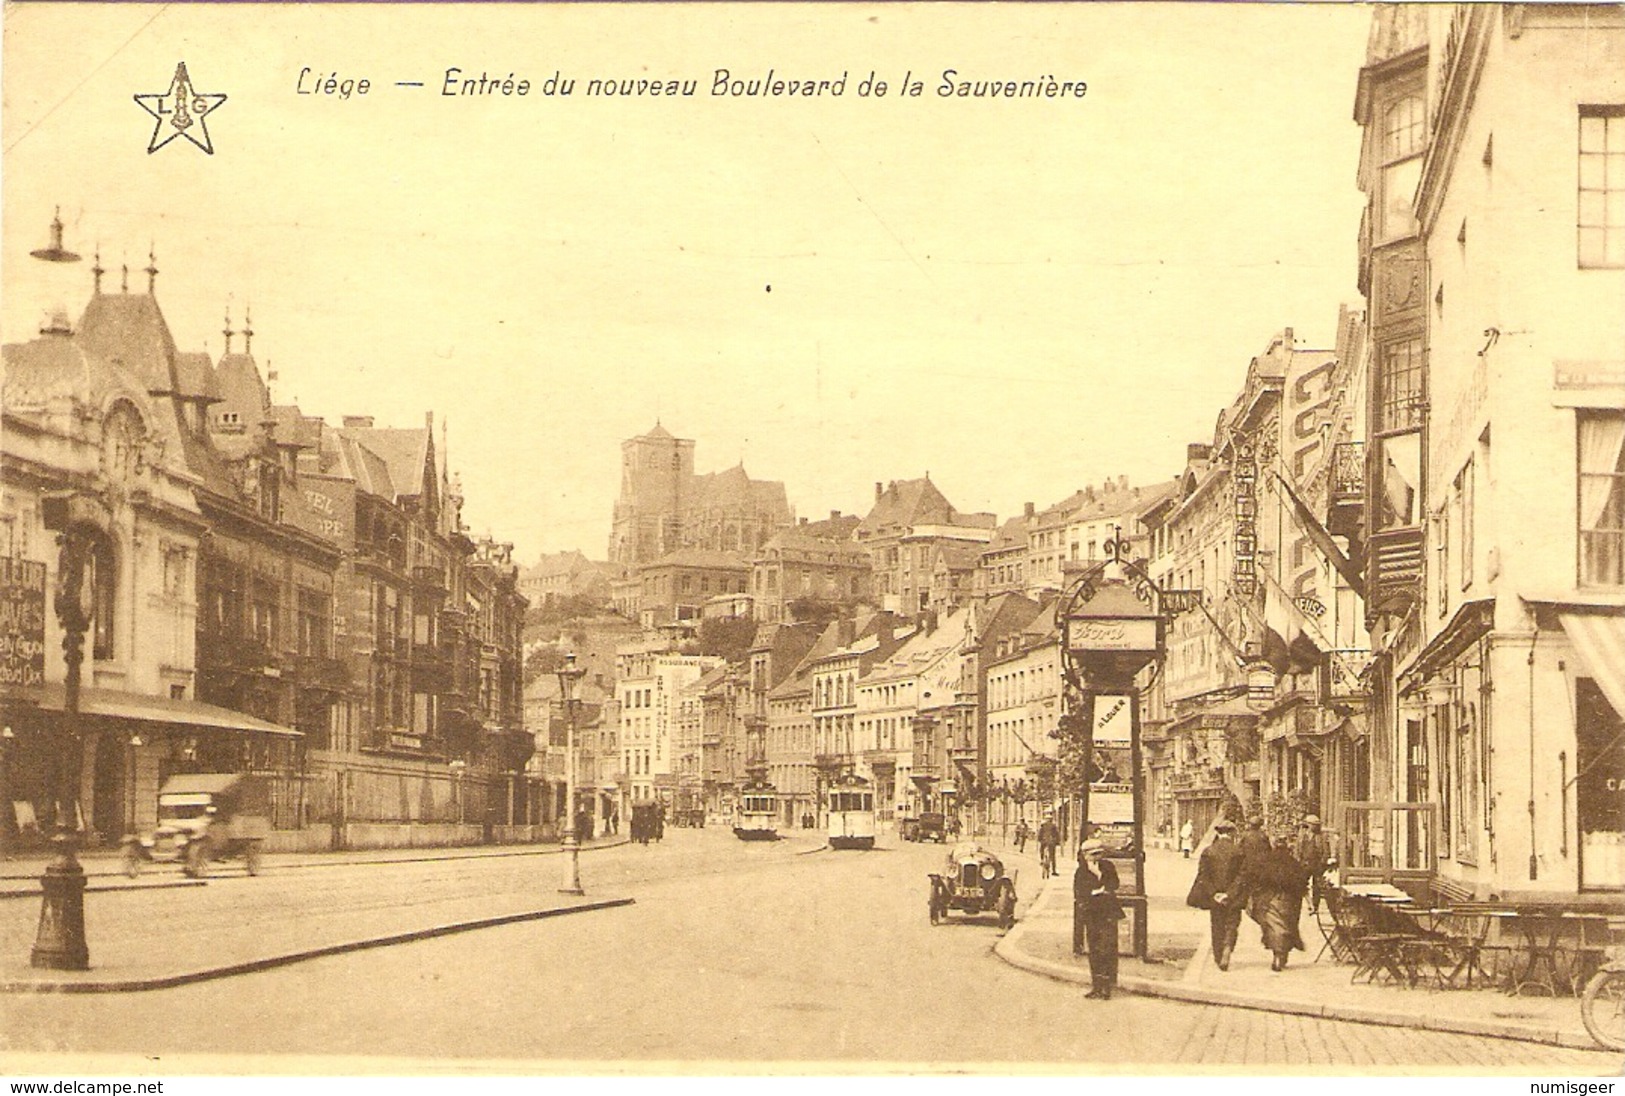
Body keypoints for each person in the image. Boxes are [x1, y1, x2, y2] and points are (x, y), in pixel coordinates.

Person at [1244, 831, 1309, 971]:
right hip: (1289, 901)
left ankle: (1278, 955)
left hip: (1271, 899)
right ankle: (1281, 955)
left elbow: (1257, 878)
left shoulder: (1266, 861)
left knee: (1273, 928)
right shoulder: (1293, 863)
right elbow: (1301, 882)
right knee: (1286, 927)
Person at [1185, 818, 1245, 970]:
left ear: (1218, 833)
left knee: (1217, 924)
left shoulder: (1208, 851)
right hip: (1233, 897)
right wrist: (1229, 894)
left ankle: (1218, 956)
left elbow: (1203, 876)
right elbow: (1242, 876)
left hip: (1214, 897)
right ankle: (1228, 948)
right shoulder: (1239, 851)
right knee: (1232, 924)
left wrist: (1215, 894)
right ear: (1231, 833)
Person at [1072, 839, 1124, 999]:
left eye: (1098, 854)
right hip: (1092, 914)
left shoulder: (1107, 866)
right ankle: (1096, 986)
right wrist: (1092, 894)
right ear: (1085, 855)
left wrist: (1102, 881)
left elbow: (1114, 884)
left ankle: (1107, 987)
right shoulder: (1081, 871)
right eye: (1092, 855)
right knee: (1094, 950)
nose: (1095, 858)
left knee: (1107, 948)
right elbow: (1079, 892)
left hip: (1108, 912)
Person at [1294, 814, 1333, 913]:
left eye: (1316, 825)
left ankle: (1315, 906)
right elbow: (1298, 849)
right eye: (1313, 824)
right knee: (1300, 884)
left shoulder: (1321, 836)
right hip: (1305, 863)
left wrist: (1322, 863)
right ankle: (1300, 904)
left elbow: (1326, 851)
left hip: (1317, 864)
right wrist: (1298, 860)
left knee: (1317, 887)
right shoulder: (1303, 835)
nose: (1315, 827)